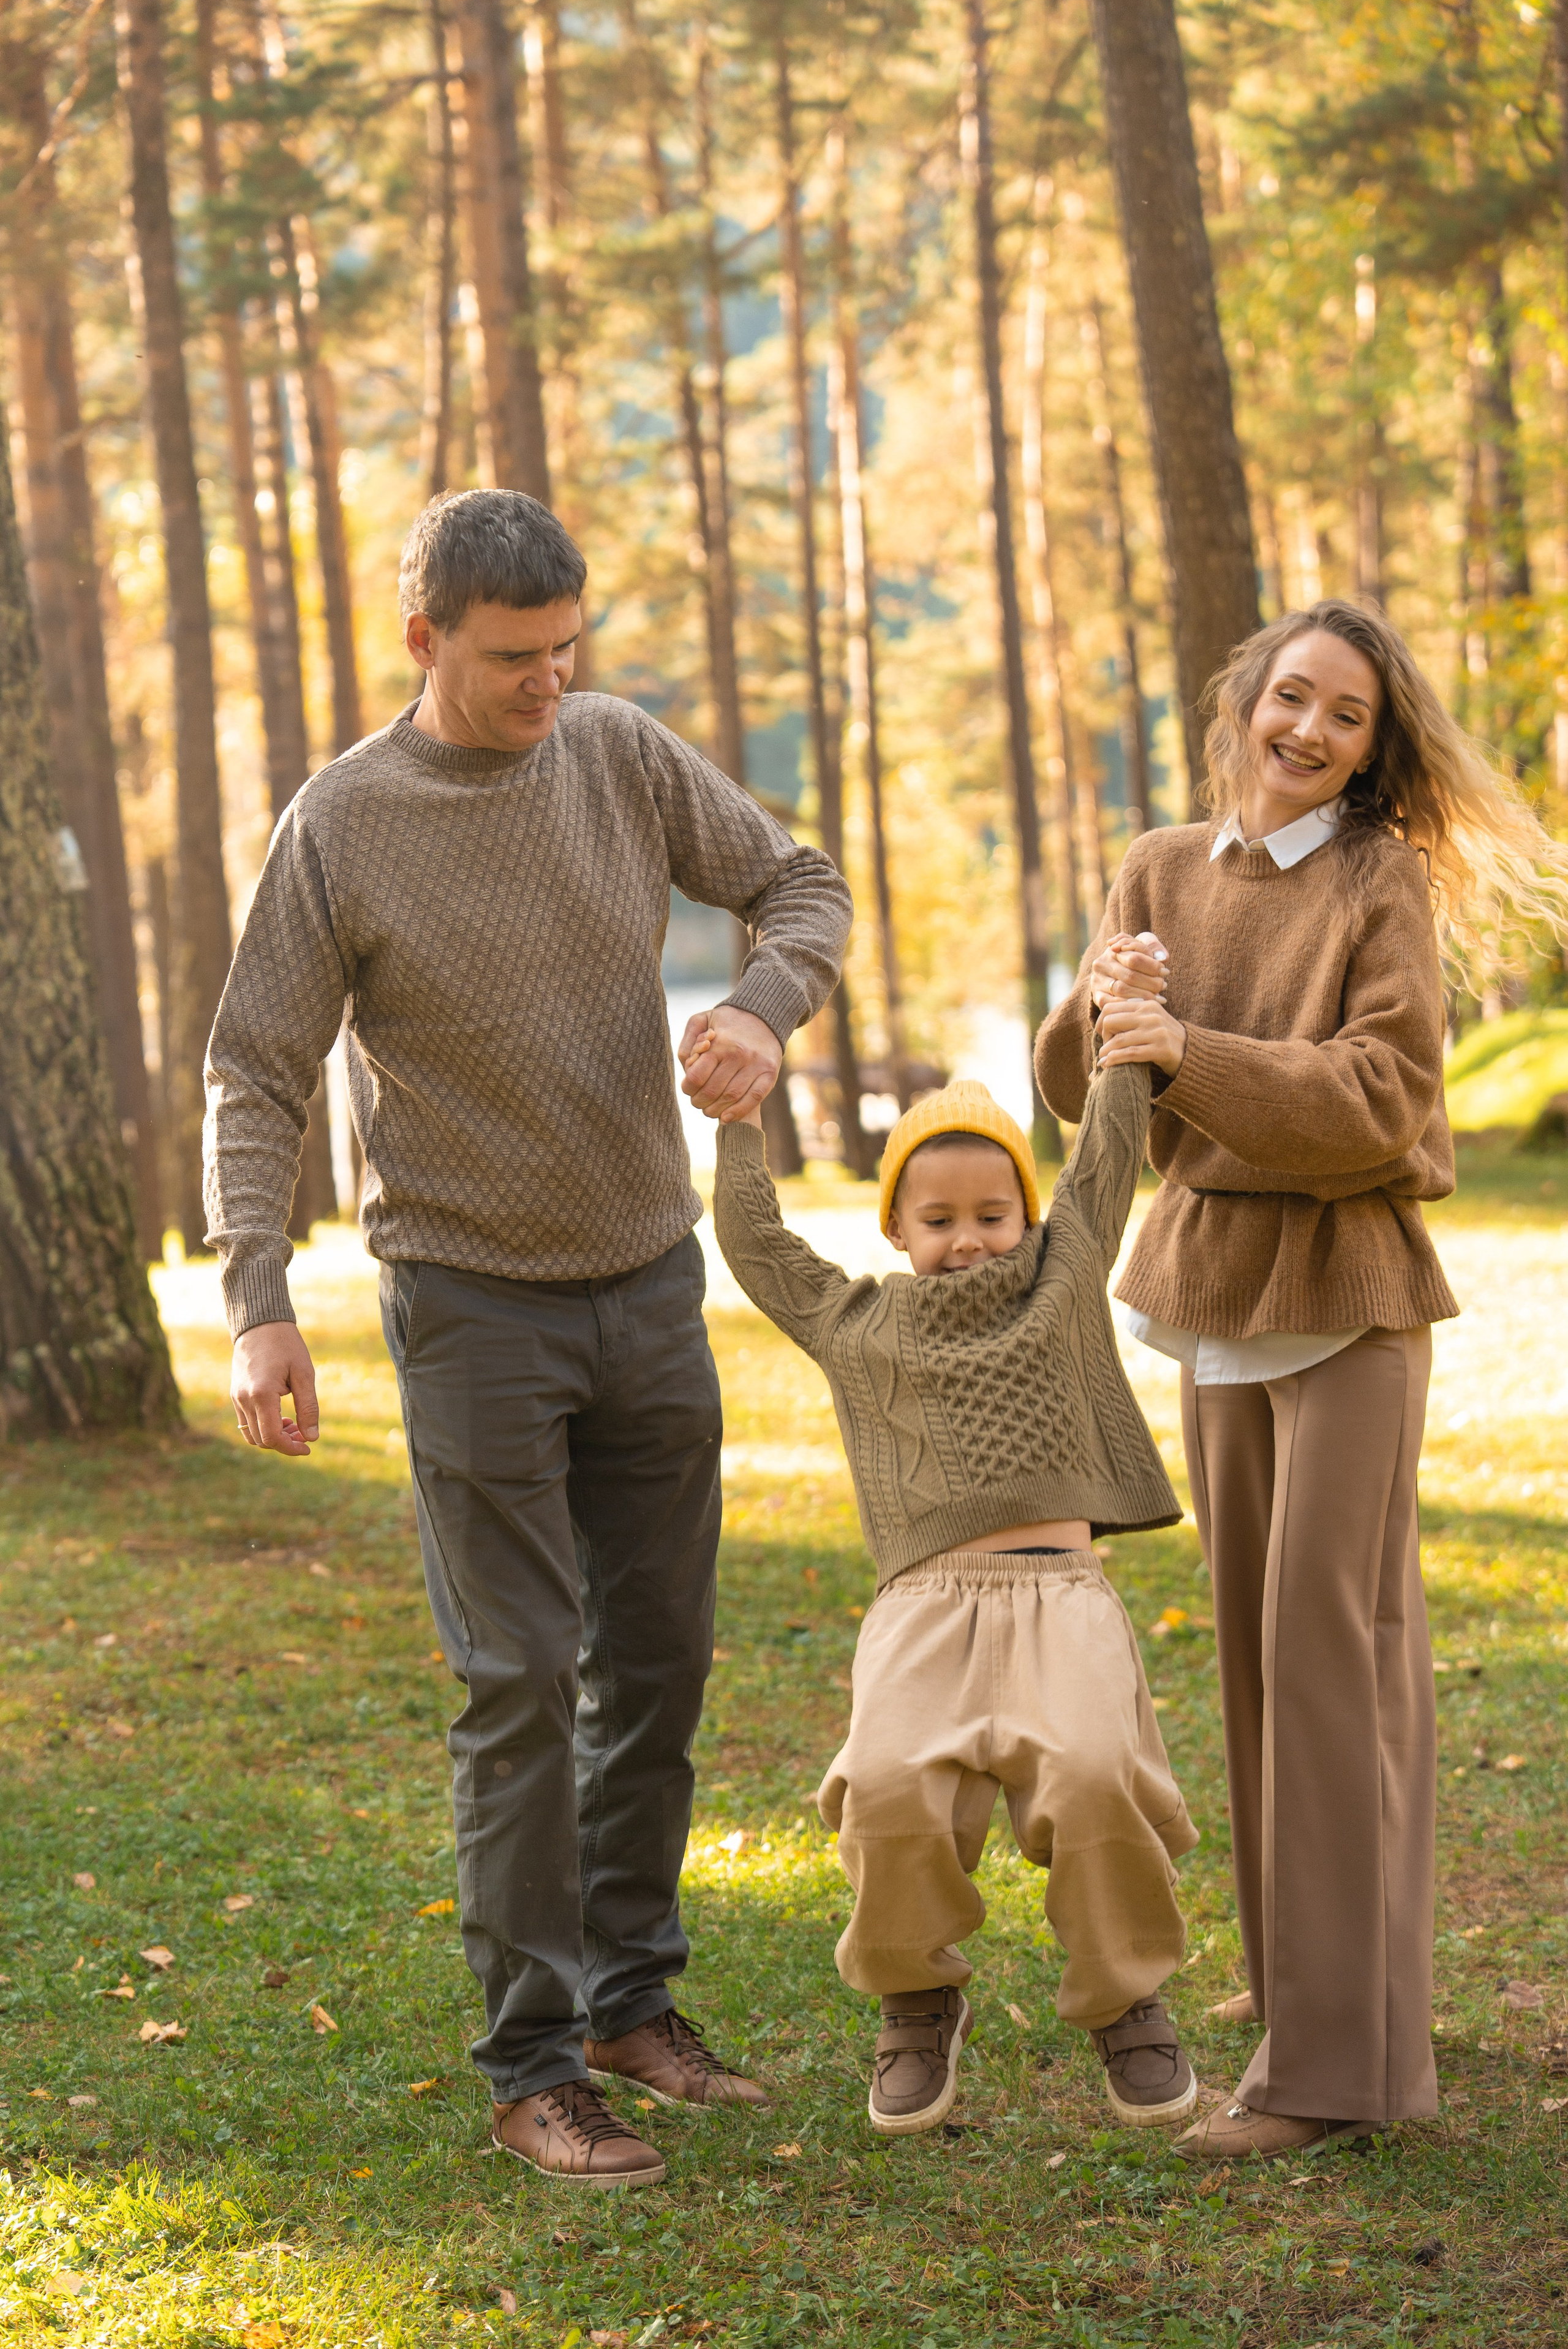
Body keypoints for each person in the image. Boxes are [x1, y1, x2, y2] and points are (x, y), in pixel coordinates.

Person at [204, 488, 853, 2188]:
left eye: (569, 648)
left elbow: (797, 880)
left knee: (658, 1668)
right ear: (423, 640)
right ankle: (534, 2065)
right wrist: (259, 1300)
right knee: (517, 1688)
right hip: (470, 1305)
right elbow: (256, 1069)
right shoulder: (342, 823)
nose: (549, 684)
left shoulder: (621, 753)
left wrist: (761, 1010)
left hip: (649, 1282)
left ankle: (637, 2004)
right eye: (513, 660)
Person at [1036, 596, 1568, 2161]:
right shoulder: (1153, 868)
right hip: (1211, 1299)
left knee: (1340, 1670)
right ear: (1242, 703)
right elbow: (1081, 1095)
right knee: (1265, 1678)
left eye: (1345, 716)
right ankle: (1316, 2017)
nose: (1309, 732)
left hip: (1344, 1303)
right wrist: (1098, 1010)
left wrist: (1181, 1046)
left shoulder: (1374, 880)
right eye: (1291, 698)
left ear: (1369, 748)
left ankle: (1335, 2073)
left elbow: (1380, 1100)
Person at [706, 1057, 1198, 2136]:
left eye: (994, 1213)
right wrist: (740, 1126)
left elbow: (1107, 1166)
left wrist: (1122, 1050)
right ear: (896, 1229)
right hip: (924, 1609)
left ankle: (1125, 1996)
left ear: (1029, 1215)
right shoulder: (856, 1324)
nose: (968, 1238)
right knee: (884, 1786)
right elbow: (758, 1251)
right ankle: (916, 1998)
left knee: (1092, 1772)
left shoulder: (1060, 1282)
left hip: (1059, 1598)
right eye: (938, 1219)